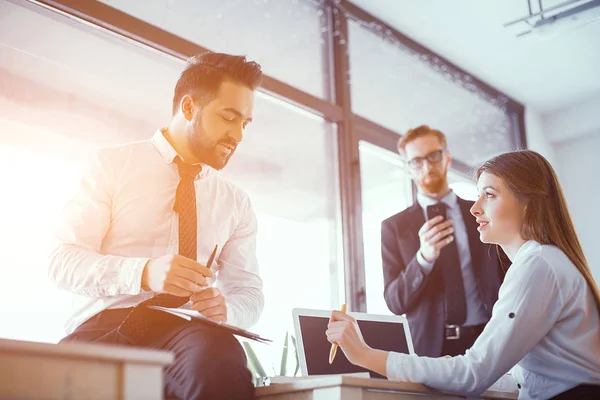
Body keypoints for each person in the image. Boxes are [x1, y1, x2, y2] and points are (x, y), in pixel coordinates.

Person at [49, 52, 264, 400]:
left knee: (219, 357)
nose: (238, 135)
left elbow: (249, 292)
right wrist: (144, 272)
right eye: (229, 117)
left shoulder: (236, 203)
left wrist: (228, 309)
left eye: (246, 123)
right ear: (190, 107)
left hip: (187, 334)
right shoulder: (110, 165)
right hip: (105, 326)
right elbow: (62, 261)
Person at [327, 150, 600, 399]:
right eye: (478, 194)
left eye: (489, 195)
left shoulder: (538, 266)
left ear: (527, 202)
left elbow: (473, 374)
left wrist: (365, 355)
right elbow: (523, 379)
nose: (474, 207)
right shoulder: (542, 261)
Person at [381, 125, 506, 357]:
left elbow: (507, 271)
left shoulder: (481, 212)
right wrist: (423, 259)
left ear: (447, 158)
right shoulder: (393, 228)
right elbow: (394, 302)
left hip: (490, 340)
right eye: (417, 161)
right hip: (430, 350)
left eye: (433, 156)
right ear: (409, 170)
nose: (427, 166)